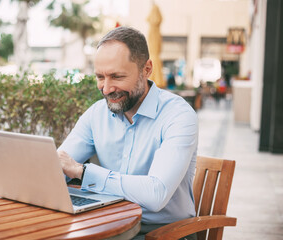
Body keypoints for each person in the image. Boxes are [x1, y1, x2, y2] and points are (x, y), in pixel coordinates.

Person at [58, 27, 198, 240]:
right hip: (110, 225)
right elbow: (60, 164)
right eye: (100, 77)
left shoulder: (178, 115)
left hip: (165, 233)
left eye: (117, 76)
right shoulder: (97, 113)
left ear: (147, 69)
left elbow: (156, 194)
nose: (106, 89)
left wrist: (83, 172)